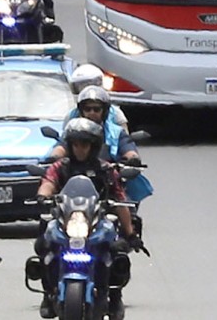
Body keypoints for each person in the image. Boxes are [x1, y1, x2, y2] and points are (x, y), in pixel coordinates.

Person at [33, 119, 140, 318]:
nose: (79, 149)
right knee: (44, 246)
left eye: (84, 145)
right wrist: (43, 195)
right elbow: (48, 182)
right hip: (66, 220)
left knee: (117, 251)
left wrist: (130, 233)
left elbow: (120, 198)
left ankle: (115, 297)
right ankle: (48, 293)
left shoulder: (105, 169)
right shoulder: (60, 167)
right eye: (75, 145)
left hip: (97, 221)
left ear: (93, 146)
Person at [49, 86, 140, 163]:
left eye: (96, 109)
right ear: (81, 110)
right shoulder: (72, 130)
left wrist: (133, 158)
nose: (92, 113)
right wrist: (54, 157)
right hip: (74, 173)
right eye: (87, 109)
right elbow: (62, 146)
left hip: (108, 174)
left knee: (136, 177)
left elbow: (127, 147)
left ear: (104, 111)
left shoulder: (116, 132)